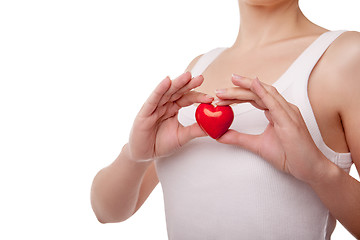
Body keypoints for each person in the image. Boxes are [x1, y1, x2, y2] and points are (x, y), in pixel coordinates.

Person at [90, 0, 360, 239]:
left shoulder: (346, 57)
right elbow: (106, 211)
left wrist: (320, 173)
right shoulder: (198, 67)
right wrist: (135, 156)